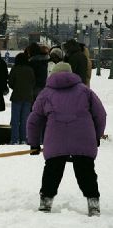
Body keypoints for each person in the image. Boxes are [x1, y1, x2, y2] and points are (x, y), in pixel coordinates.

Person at [26, 62, 106, 216]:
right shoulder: (85, 91)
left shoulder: (45, 93)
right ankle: (93, 205)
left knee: (52, 172)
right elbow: (100, 114)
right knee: (86, 173)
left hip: (55, 141)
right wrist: (96, 136)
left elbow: (34, 121)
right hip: (83, 139)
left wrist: (34, 144)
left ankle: (45, 204)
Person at [8, 52, 35, 144]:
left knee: (15, 120)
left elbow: (10, 82)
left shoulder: (15, 69)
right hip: (28, 97)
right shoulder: (30, 70)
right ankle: (24, 139)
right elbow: (33, 82)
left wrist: (15, 87)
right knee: (25, 120)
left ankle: (15, 139)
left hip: (16, 96)